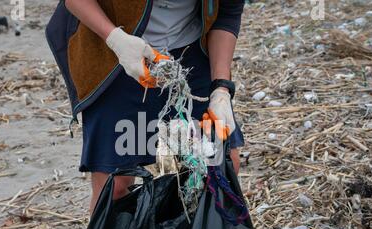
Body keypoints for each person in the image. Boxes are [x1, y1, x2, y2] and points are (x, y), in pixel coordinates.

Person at [46, 0, 246, 214]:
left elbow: (227, 11)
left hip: (191, 53)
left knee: (219, 166)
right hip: (114, 52)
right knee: (115, 184)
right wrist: (115, 39)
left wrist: (221, 88)